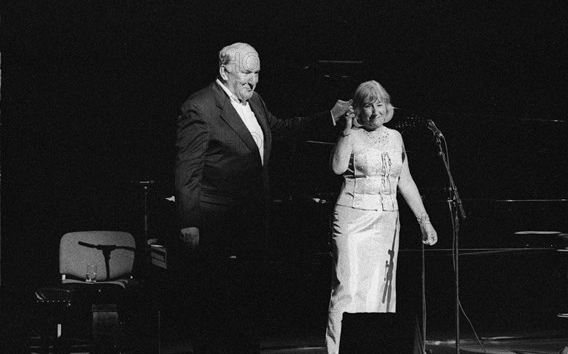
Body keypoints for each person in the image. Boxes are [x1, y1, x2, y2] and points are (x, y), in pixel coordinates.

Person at [174, 42, 352, 354]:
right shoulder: (200, 107)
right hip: (217, 223)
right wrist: (189, 223)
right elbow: (187, 170)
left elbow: (280, 128)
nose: (252, 79)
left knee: (249, 299)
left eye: (256, 73)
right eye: (245, 72)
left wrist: (330, 117)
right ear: (224, 71)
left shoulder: (254, 100)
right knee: (217, 303)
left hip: (253, 220)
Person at [325, 80, 438, 354]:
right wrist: (346, 132)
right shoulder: (351, 135)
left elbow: (406, 180)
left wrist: (424, 220)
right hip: (353, 217)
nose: (375, 112)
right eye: (367, 106)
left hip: (387, 219)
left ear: (387, 108)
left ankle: (374, 348)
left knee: (379, 290)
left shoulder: (395, 137)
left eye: (379, 105)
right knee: (347, 289)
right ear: (357, 110)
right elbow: (337, 167)